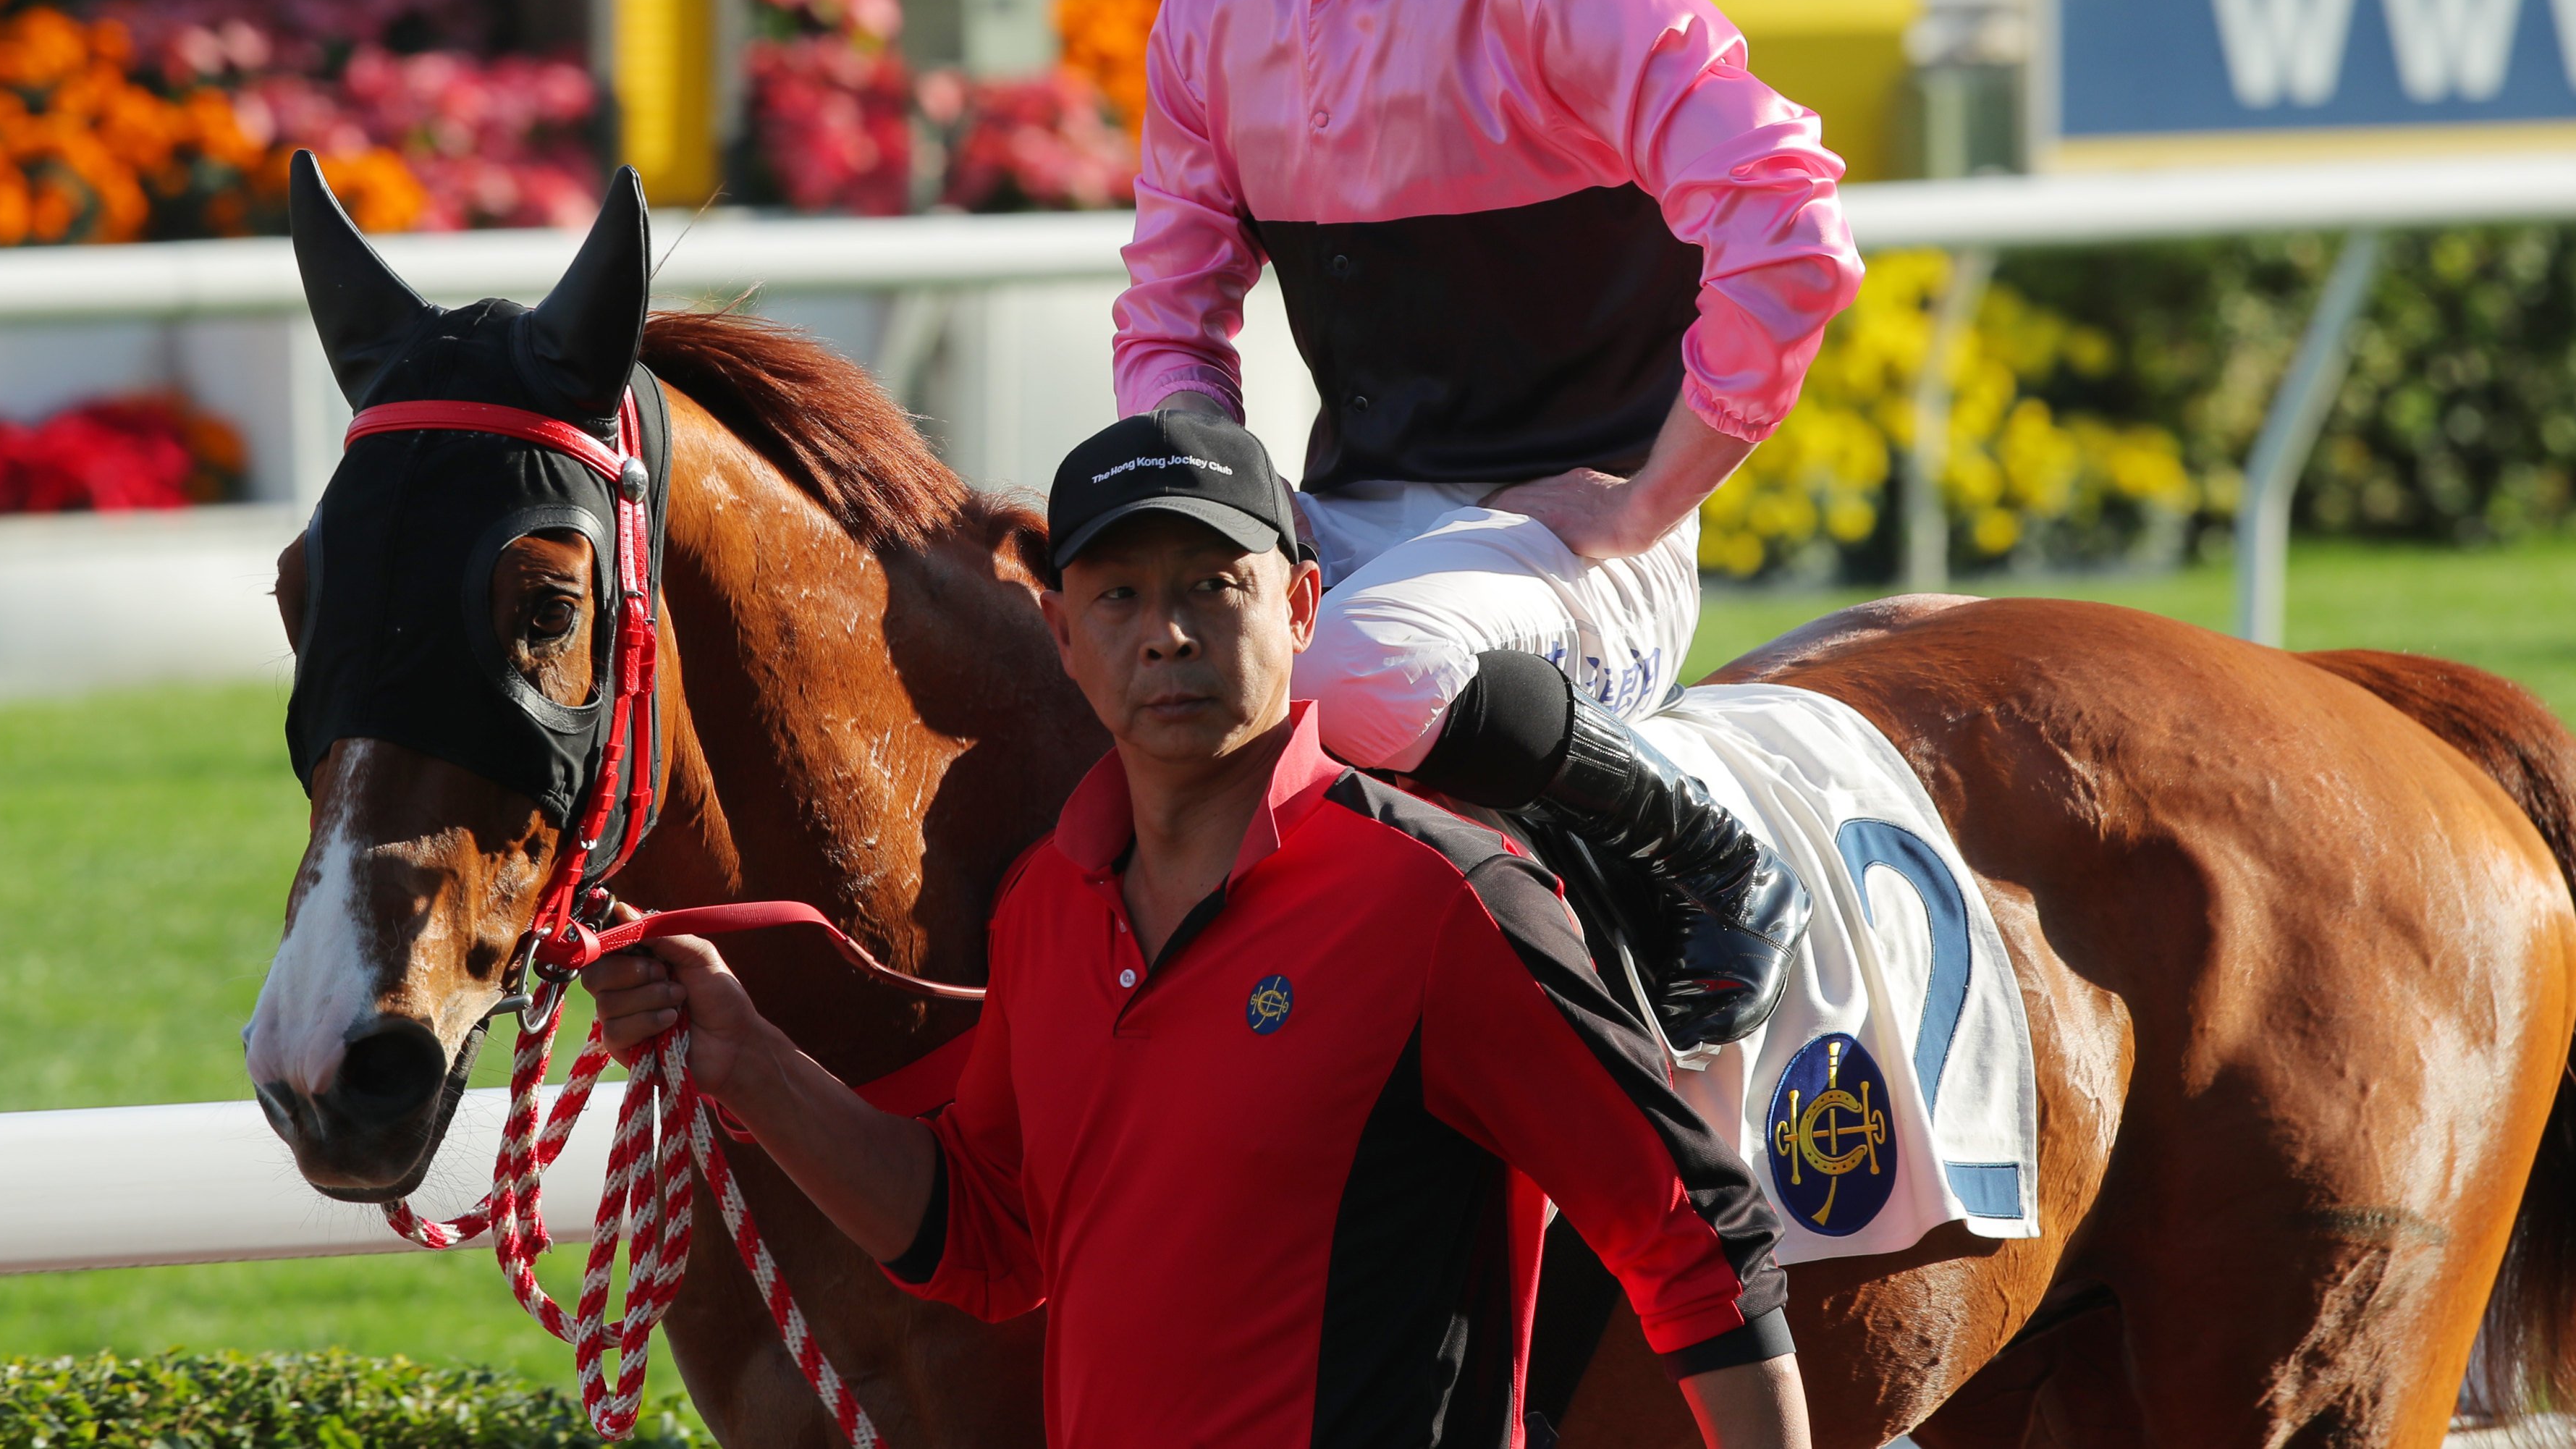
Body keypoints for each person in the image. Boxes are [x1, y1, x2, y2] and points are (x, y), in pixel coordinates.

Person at [586, 410, 1809, 1449]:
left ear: (1301, 604)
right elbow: (990, 1236)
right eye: (1119, 594)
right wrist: (747, 1057)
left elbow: (1694, 1237)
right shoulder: (1045, 908)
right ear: (1063, 635)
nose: (1165, 632)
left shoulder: (1442, 900)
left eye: (1213, 586)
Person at [1118, 0, 1864, 1052]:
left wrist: (1647, 500)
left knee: (1349, 674)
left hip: (1574, 549)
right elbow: (1171, 320)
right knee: (1055, 650)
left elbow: (1788, 225)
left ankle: (1695, 845)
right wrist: (1207, 510)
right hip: (1350, 524)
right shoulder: (1208, 11)